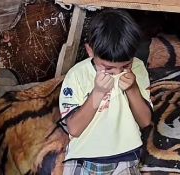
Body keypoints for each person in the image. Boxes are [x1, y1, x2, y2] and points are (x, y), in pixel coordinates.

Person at [59, 9, 152, 175]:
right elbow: (74, 129)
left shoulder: (137, 68)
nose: (118, 73)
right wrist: (98, 92)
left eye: (125, 66)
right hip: (82, 156)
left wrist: (133, 88)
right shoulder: (77, 75)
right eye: (108, 68)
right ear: (90, 51)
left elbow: (145, 121)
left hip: (126, 156)